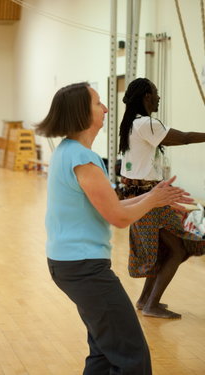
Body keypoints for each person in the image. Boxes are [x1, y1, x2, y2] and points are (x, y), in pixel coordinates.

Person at [36, 82, 192, 374]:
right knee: (132, 355)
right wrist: (155, 198)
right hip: (83, 268)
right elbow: (118, 217)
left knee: (104, 352)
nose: (106, 109)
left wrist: (156, 197)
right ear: (82, 112)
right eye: (98, 103)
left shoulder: (68, 151)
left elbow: (113, 207)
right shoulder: (83, 159)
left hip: (72, 264)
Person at [118, 77, 205, 319]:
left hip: (142, 195)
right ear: (147, 96)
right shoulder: (146, 123)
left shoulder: (133, 123)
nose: (158, 97)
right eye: (155, 93)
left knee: (169, 249)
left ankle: (147, 300)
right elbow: (185, 137)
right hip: (148, 197)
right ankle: (150, 304)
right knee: (178, 249)